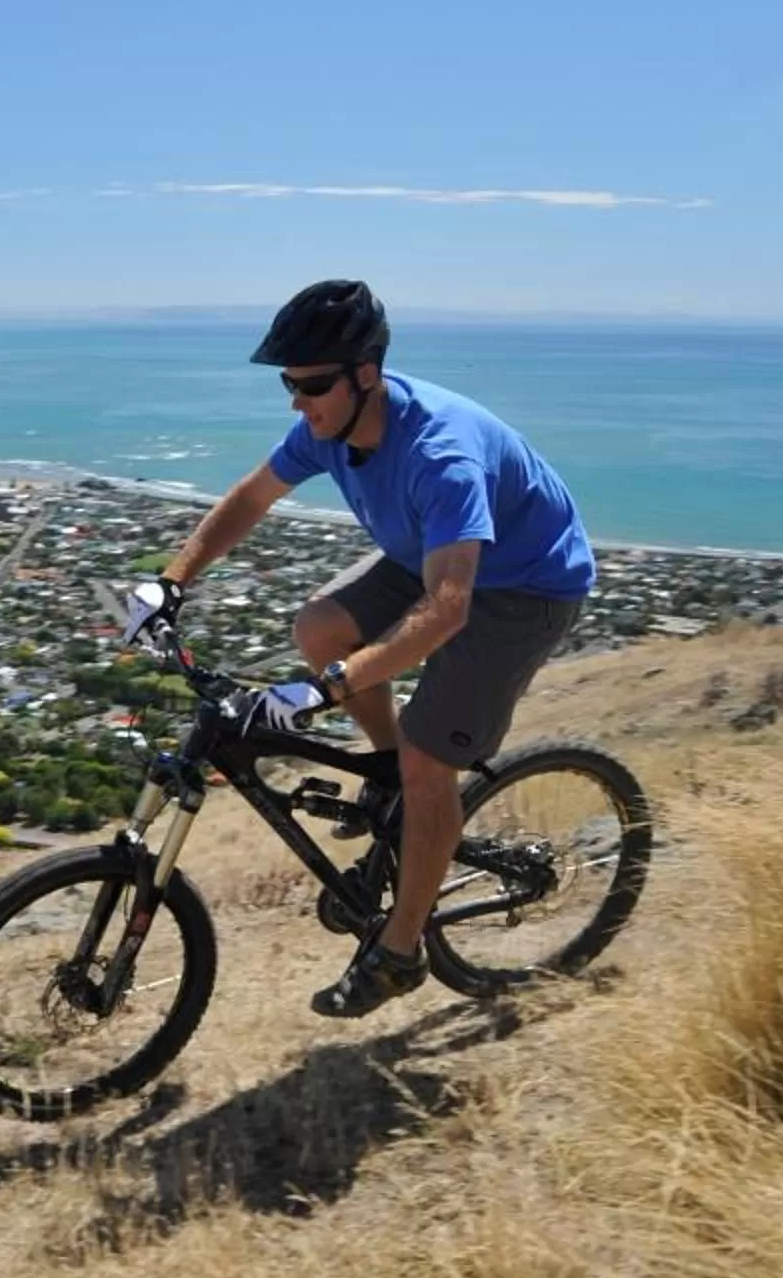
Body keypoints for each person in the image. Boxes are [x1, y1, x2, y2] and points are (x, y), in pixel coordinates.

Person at [126, 279, 595, 1019]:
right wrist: (171, 582)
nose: (296, 401)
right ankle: (386, 777)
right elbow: (251, 497)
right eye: (289, 383)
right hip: (429, 554)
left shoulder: (441, 456)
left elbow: (447, 610)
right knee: (318, 629)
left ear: (366, 374)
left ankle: (400, 951)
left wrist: (329, 688)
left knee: (428, 761)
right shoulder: (327, 427)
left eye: (311, 385)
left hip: (524, 584)